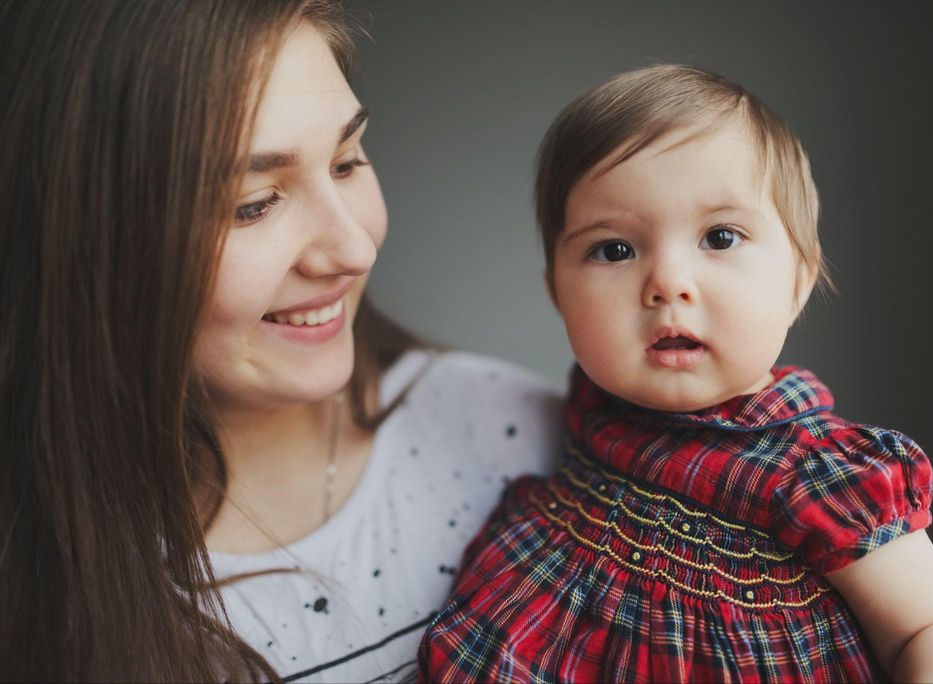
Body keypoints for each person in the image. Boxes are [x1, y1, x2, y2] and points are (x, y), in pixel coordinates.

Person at [0, 1, 560, 682]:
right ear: (83, 242)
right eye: (253, 204)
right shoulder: (34, 589)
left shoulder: (518, 441)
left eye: (348, 161)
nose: (352, 248)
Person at [419, 65, 933, 682]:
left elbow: (932, 628)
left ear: (798, 283)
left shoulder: (818, 473)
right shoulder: (590, 407)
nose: (668, 283)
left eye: (720, 237)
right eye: (614, 249)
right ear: (558, 294)